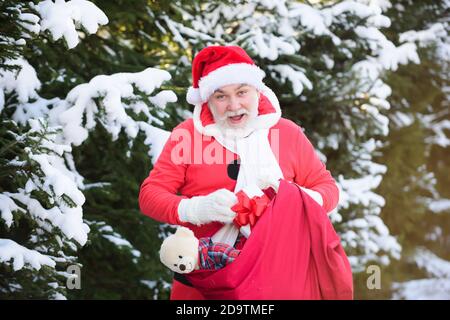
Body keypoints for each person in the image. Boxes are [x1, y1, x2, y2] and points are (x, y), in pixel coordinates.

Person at [138, 45, 339, 300]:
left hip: (281, 279)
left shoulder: (286, 133)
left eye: (242, 92)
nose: (234, 105)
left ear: (257, 91)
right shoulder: (187, 135)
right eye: (221, 96)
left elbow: (328, 190)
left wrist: (290, 198)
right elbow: (150, 196)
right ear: (207, 100)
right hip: (205, 282)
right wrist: (197, 209)